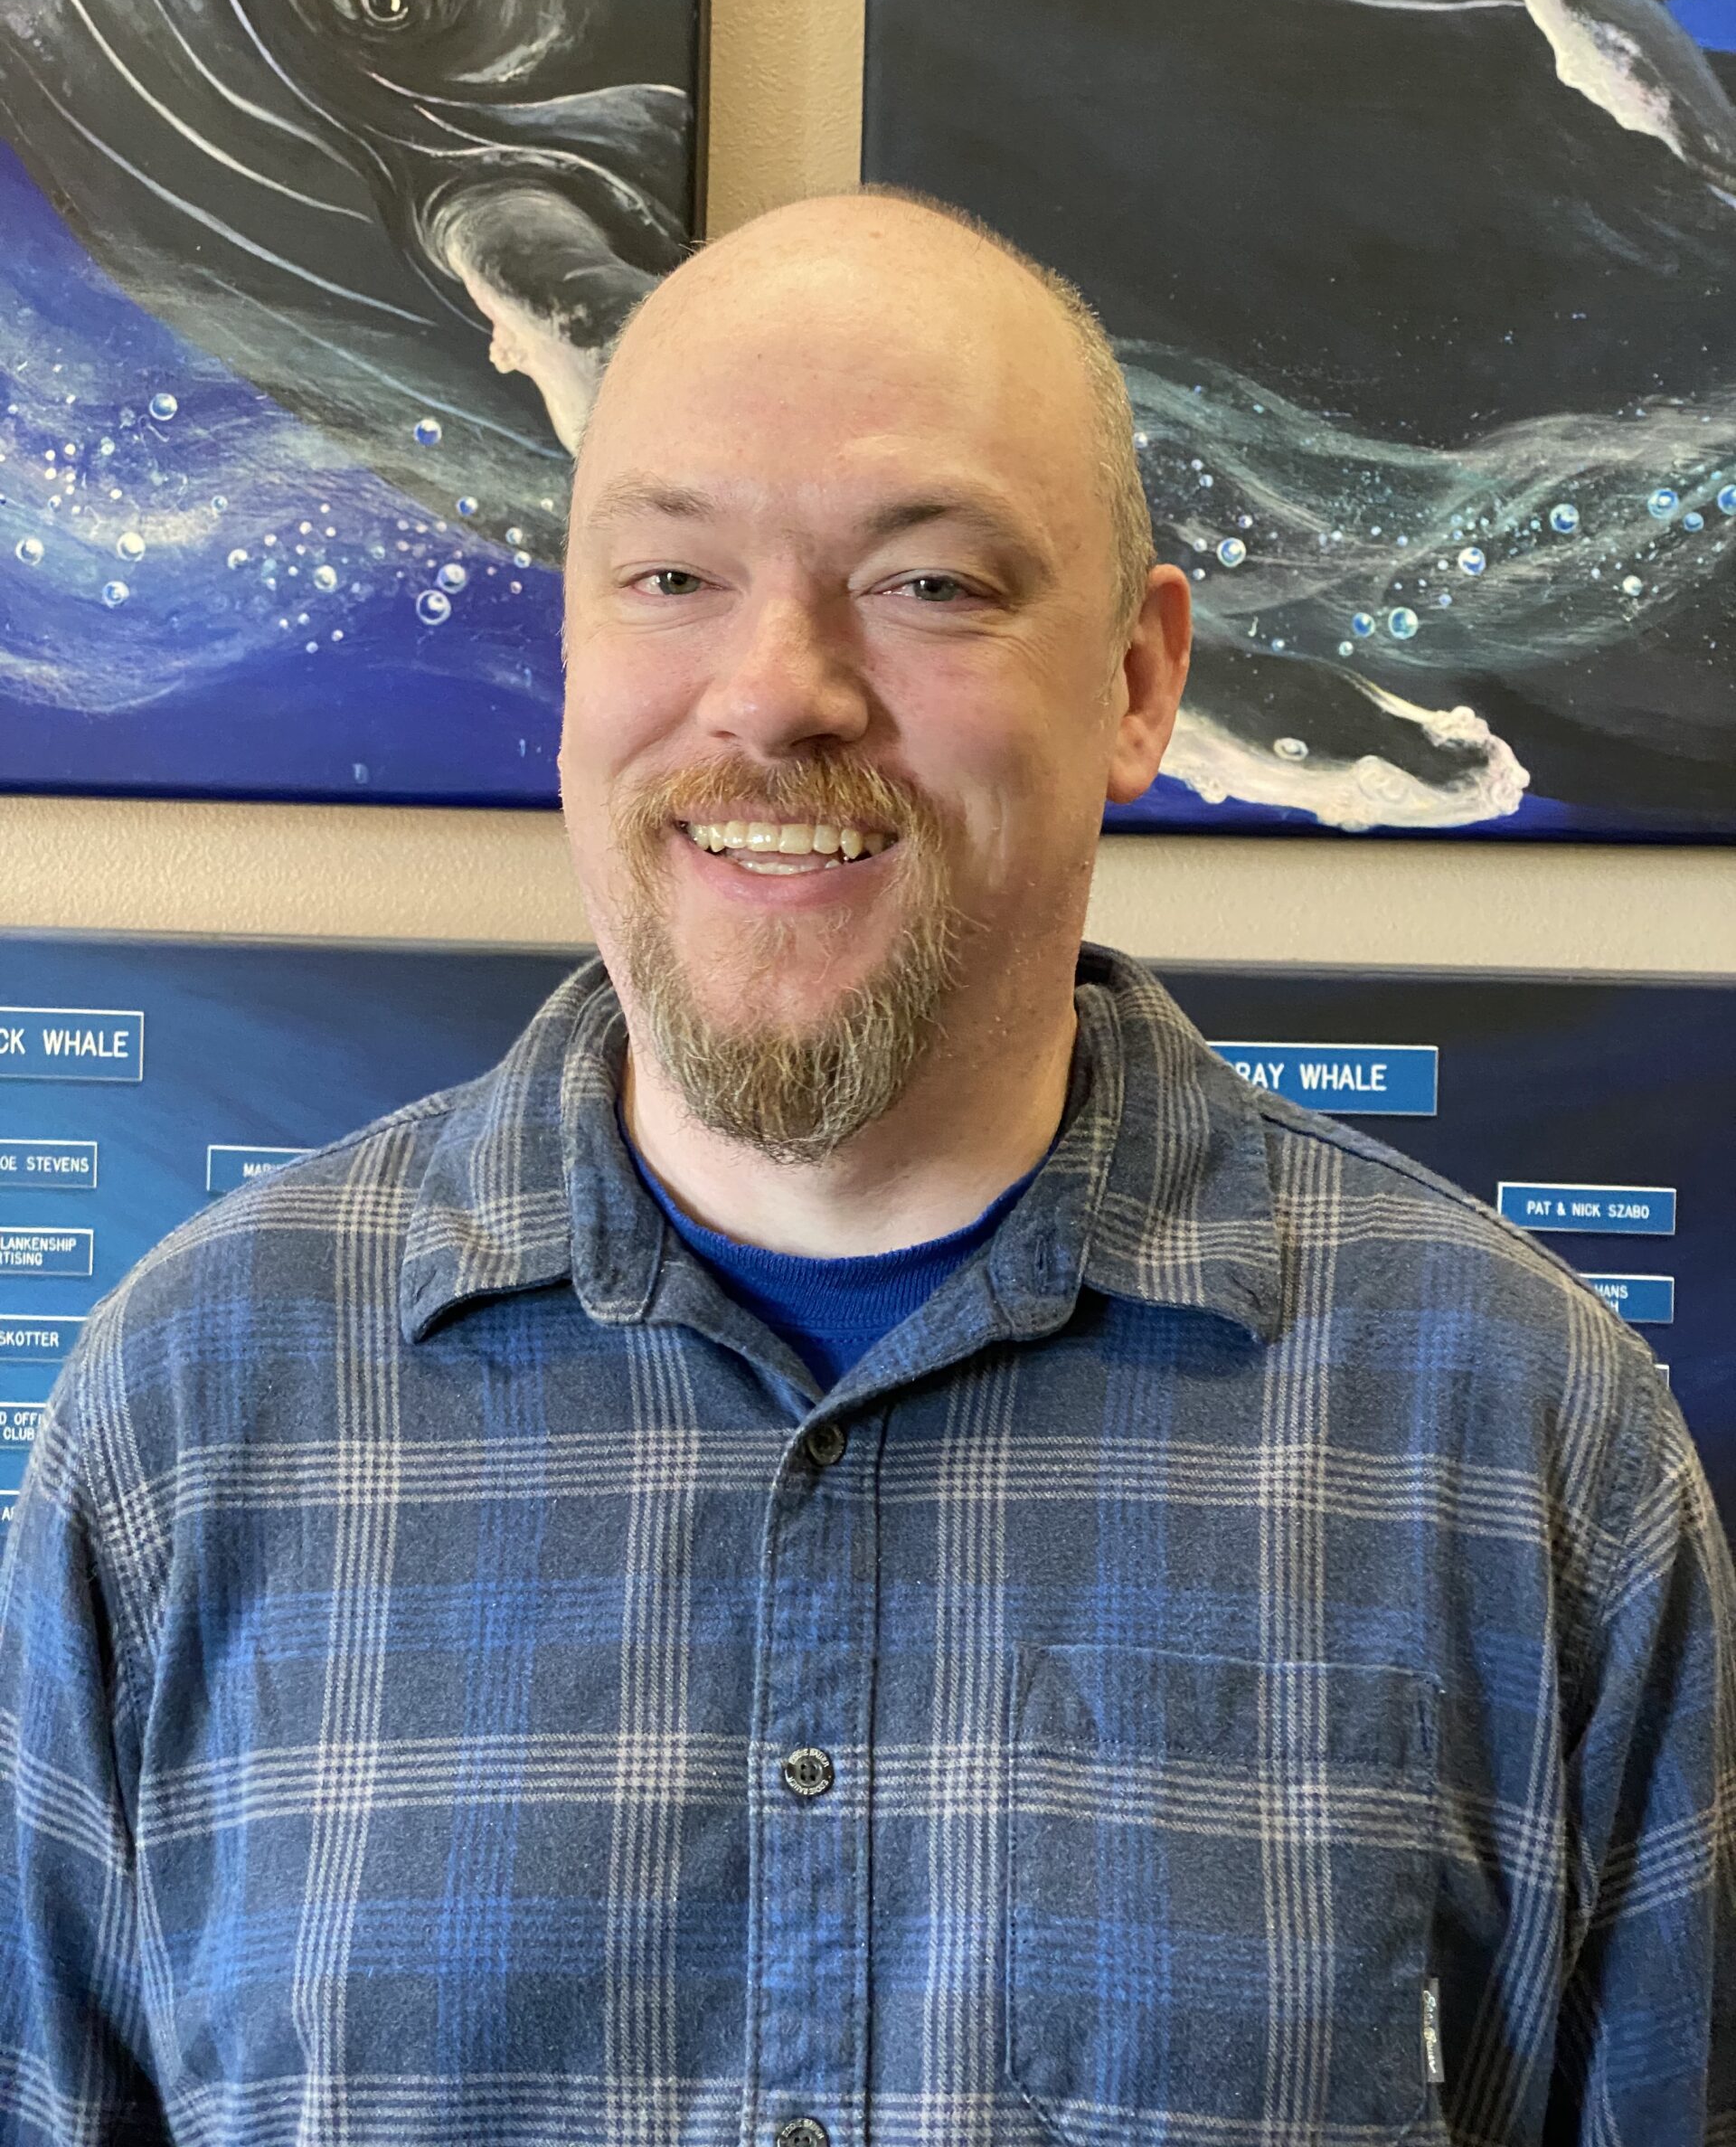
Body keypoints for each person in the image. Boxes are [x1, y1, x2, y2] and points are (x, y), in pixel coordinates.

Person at [1, 191, 1731, 2147]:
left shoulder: (1522, 1441)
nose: (776, 690)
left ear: (1139, 684)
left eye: (931, 583)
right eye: (671, 574)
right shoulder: (185, 1421)